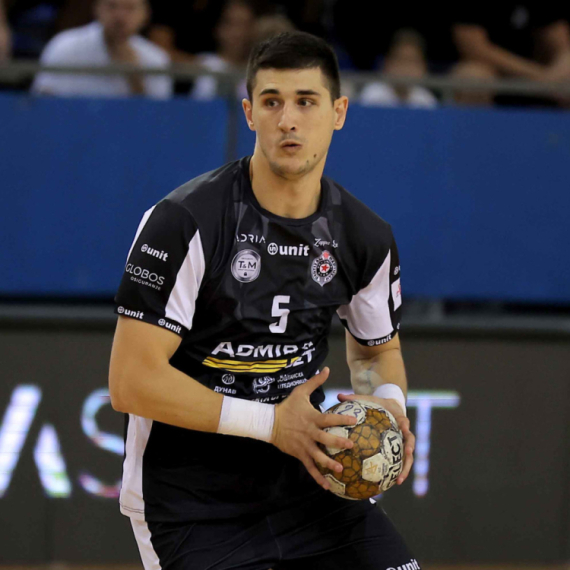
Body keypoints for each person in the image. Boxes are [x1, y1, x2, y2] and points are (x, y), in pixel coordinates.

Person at [109, 31, 418, 570]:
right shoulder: (185, 222)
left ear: (339, 112)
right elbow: (131, 380)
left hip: (311, 483)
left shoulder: (365, 236)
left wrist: (388, 404)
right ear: (249, 113)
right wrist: (273, 424)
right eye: (272, 102)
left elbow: (374, 351)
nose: (288, 120)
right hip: (190, 503)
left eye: (306, 101)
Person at [32, 0, 172, 98]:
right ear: (97, 9)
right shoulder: (64, 45)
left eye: (130, 8)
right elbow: (43, 100)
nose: (120, 16)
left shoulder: (156, 58)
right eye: (112, 6)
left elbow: (156, 119)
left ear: (145, 14)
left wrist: (135, 79)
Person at [452, 5, 570, 106]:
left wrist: (560, 70)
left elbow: (560, 46)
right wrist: (541, 78)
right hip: (490, 69)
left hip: (541, 73)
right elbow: (475, 50)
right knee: (473, 79)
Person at [190, 0, 257, 100]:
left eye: (244, 25)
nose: (237, 33)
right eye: (230, 24)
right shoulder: (202, 63)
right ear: (218, 28)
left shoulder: (259, 70)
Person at [359, 29, 437, 109]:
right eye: (400, 60)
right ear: (387, 63)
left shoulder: (426, 100)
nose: (405, 68)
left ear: (423, 66)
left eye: (411, 61)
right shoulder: (372, 95)